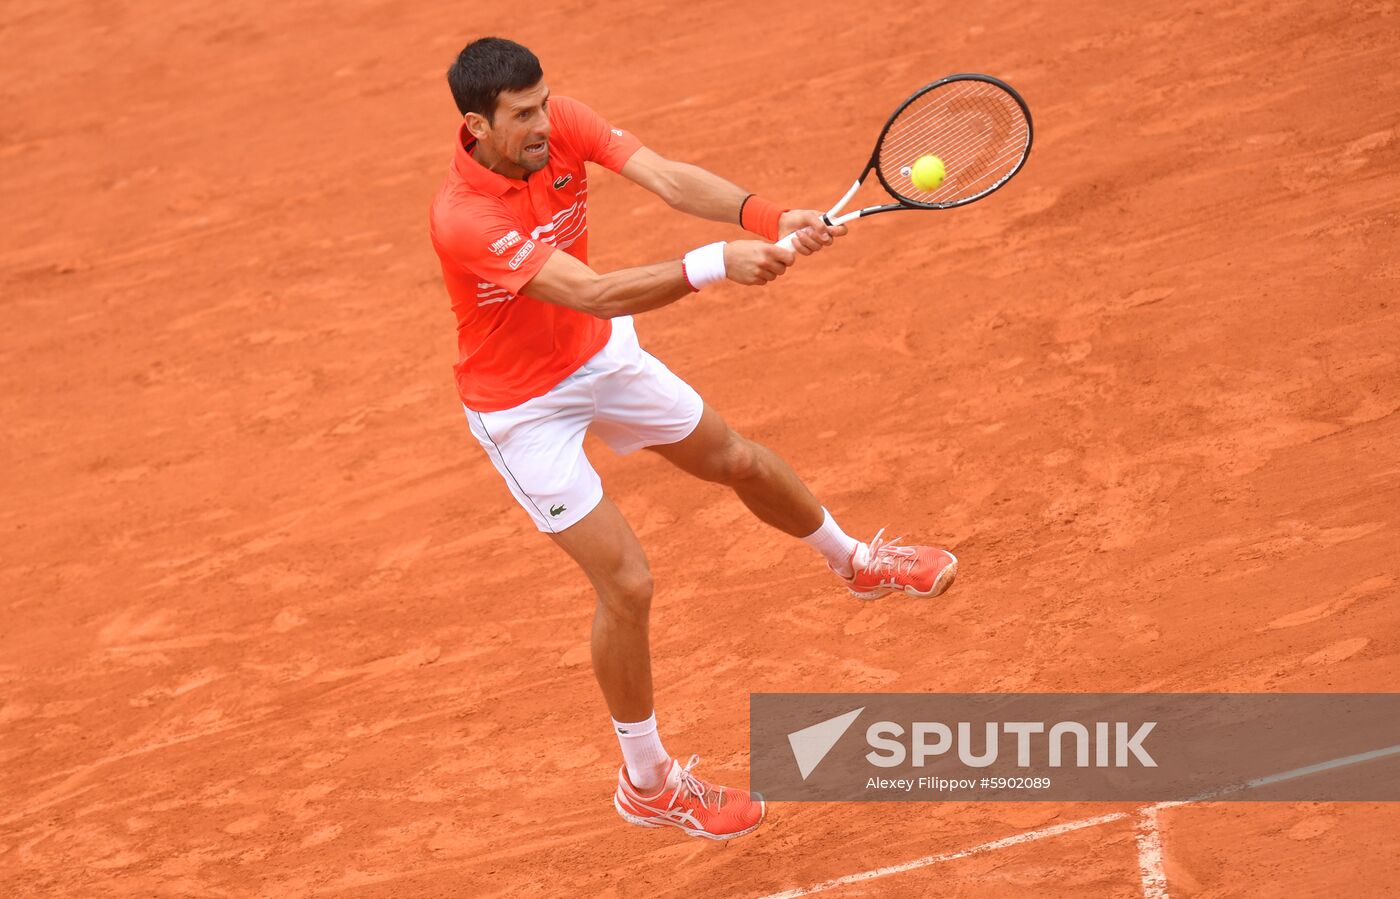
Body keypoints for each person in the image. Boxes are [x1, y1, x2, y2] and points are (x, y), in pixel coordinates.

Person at [429, 37, 958, 841]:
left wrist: (772, 217)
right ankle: (646, 781)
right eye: (523, 116)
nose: (544, 122)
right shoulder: (463, 217)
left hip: (599, 359)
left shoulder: (562, 124)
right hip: (523, 407)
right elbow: (594, 292)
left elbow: (668, 177)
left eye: (544, 103)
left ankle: (854, 562)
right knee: (628, 584)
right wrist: (716, 263)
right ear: (476, 125)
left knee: (736, 458)